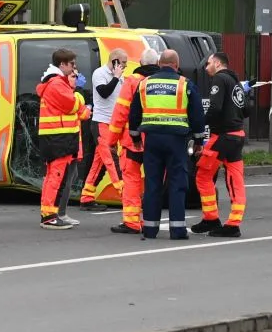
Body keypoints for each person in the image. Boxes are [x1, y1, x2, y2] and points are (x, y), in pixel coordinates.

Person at [129, 49, 205, 240]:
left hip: (152, 140)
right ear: (176, 65)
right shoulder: (184, 84)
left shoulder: (144, 84)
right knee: (177, 183)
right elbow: (197, 115)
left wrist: (136, 138)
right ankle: (177, 230)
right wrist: (198, 141)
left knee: (152, 184)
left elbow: (134, 113)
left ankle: (150, 229)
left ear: (159, 64)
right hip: (176, 141)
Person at [103, 48, 161, 234]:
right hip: (156, 140)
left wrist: (111, 140)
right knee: (153, 180)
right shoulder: (163, 82)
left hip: (132, 141)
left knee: (131, 180)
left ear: (141, 63)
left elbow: (120, 113)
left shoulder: (132, 81)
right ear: (157, 64)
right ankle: (151, 221)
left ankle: (131, 221)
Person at [192, 52, 249, 237]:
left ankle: (211, 218)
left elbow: (215, 108)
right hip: (237, 136)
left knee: (203, 175)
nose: (206, 68)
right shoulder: (236, 82)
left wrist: (199, 126)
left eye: (208, 64)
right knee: (235, 180)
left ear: (217, 63)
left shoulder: (219, 78)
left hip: (222, 136)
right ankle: (233, 223)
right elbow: (246, 110)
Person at [37, 48, 92, 229]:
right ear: (62, 64)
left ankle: (49, 214)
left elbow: (74, 109)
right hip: (58, 138)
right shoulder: (57, 84)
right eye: (72, 64)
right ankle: (49, 216)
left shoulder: (56, 83)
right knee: (56, 178)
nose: (74, 68)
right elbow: (73, 105)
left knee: (54, 178)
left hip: (57, 138)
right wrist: (78, 93)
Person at [79, 49, 128, 209]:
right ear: (115, 61)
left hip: (113, 125)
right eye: (123, 63)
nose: (125, 66)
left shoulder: (120, 77)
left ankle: (86, 196)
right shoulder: (99, 73)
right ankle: (127, 195)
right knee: (112, 160)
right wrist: (116, 77)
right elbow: (104, 93)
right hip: (101, 123)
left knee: (99, 163)